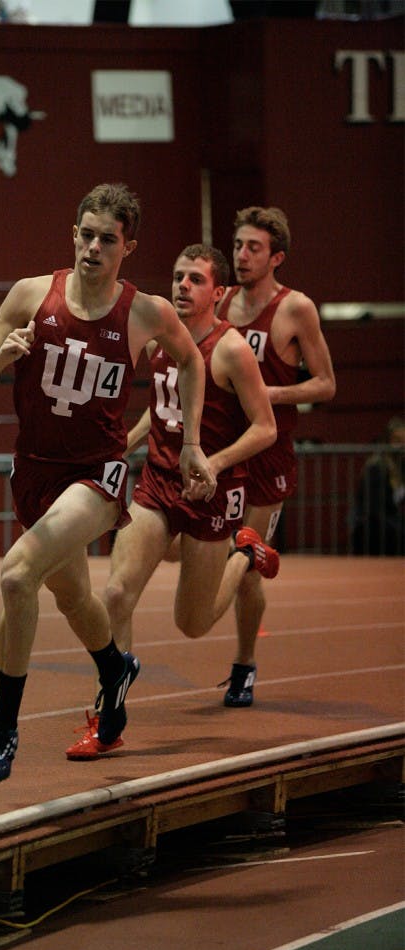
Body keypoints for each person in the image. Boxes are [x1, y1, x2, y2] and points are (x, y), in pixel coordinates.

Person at [0, 183, 216, 785]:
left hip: (95, 477)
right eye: (86, 234)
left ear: (128, 246)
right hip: (34, 472)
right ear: (72, 235)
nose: (93, 247)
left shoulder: (145, 310)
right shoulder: (31, 295)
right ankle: (114, 667)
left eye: (108, 239)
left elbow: (192, 360)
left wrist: (193, 443)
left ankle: (2, 727)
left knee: (18, 574)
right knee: (72, 597)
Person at [66, 244, 277, 758]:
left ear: (219, 292)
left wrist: (216, 462)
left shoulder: (230, 350)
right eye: (178, 276)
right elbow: (159, 414)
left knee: (193, 623)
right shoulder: (164, 337)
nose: (182, 286)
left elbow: (266, 428)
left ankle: (245, 555)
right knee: (116, 593)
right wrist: (122, 445)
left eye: (196, 280)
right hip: (159, 483)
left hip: (213, 492)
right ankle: (109, 715)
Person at [215, 206, 336, 707]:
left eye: (254, 248)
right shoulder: (219, 304)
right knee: (205, 552)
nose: (241, 256)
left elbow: (326, 384)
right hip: (224, 447)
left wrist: (265, 393)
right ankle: (253, 554)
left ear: (277, 257)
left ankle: (244, 666)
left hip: (268, 454)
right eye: (238, 245)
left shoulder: (295, 309)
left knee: (240, 566)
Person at [351, 416, 405, 556]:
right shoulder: (377, 467)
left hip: (389, 523)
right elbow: (374, 509)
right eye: (397, 441)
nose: (402, 446)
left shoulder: (401, 467)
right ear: (387, 441)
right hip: (370, 526)